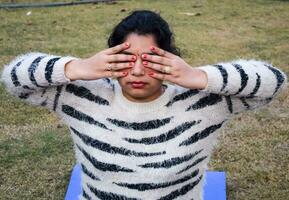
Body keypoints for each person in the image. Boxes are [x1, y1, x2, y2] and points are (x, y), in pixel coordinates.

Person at [1, 9, 287, 200]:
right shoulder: (82, 96)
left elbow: (273, 82)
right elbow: (15, 80)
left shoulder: (202, 101)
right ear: (109, 58)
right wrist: (77, 67)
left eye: (149, 60)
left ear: (168, 59)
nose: (137, 71)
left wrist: (198, 76)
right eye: (126, 59)